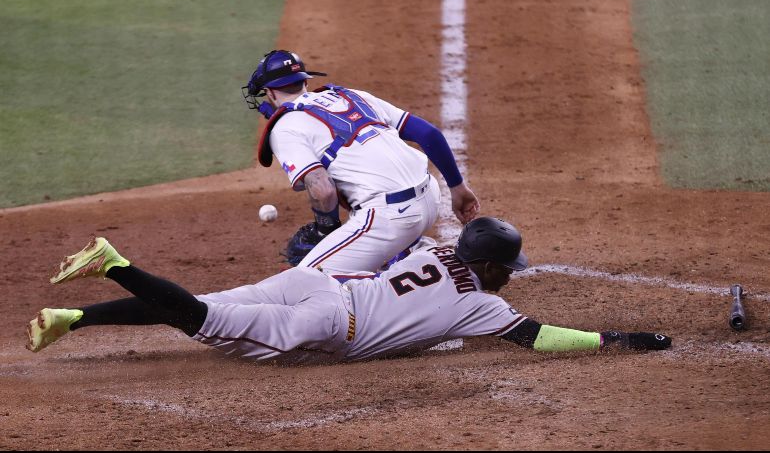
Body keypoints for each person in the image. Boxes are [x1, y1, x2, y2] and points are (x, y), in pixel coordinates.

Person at [27, 217, 672, 364]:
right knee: (199, 316)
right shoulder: (485, 304)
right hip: (330, 325)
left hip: (314, 281)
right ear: (495, 268)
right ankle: (113, 264)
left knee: (200, 306)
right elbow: (542, 338)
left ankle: (71, 317)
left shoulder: (431, 249)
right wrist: (618, 338)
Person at [241, 50, 481, 277]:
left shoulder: (284, 127)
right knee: (362, 195)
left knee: (305, 281)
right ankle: (407, 252)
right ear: (305, 82)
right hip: (432, 197)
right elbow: (429, 134)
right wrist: (457, 188)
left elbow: (323, 191)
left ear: (270, 93)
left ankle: (421, 263)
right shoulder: (352, 95)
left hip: (391, 220)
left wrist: (325, 231)